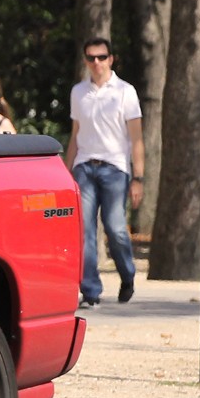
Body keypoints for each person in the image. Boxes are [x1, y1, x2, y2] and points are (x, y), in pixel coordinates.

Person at [64, 37, 144, 309]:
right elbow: (75, 135)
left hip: (115, 168)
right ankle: (91, 291)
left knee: (116, 228)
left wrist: (138, 178)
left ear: (111, 59)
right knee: (84, 229)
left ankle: (127, 275)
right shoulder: (78, 92)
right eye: (90, 58)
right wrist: (66, 172)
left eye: (101, 57)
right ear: (86, 61)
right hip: (84, 166)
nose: (96, 63)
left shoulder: (125, 92)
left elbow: (137, 139)